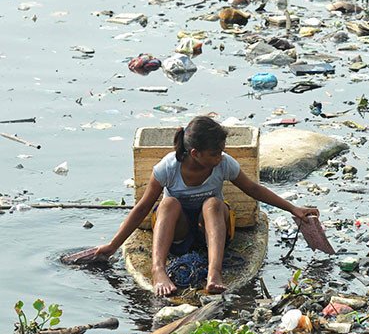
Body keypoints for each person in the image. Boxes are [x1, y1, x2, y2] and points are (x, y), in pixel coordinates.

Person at [93, 116, 318, 296]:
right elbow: (142, 208)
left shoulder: (223, 164)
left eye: (221, 151)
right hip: (178, 234)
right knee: (169, 203)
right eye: (214, 153)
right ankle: (158, 269)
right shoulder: (168, 167)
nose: (220, 157)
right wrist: (112, 246)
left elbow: (253, 189)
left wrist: (293, 209)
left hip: (211, 231)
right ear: (195, 154)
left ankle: (214, 273)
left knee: (212, 203)